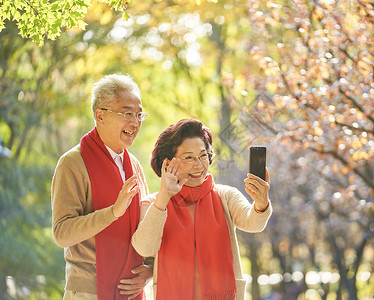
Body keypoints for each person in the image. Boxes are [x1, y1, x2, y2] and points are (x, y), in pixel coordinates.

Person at [132, 118, 272, 300]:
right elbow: (144, 248)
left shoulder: (225, 196)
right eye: (188, 157)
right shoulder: (153, 204)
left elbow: (253, 223)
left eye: (203, 155)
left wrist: (261, 202)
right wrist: (164, 197)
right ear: (168, 163)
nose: (198, 165)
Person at [51, 74, 152, 300]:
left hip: (132, 292)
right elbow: (62, 233)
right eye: (127, 113)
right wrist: (113, 212)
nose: (135, 122)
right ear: (100, 115)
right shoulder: (72, 163)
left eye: (139, 115)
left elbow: (148, 227)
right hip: (88, 291)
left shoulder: (134, 165)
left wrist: (150, 270)